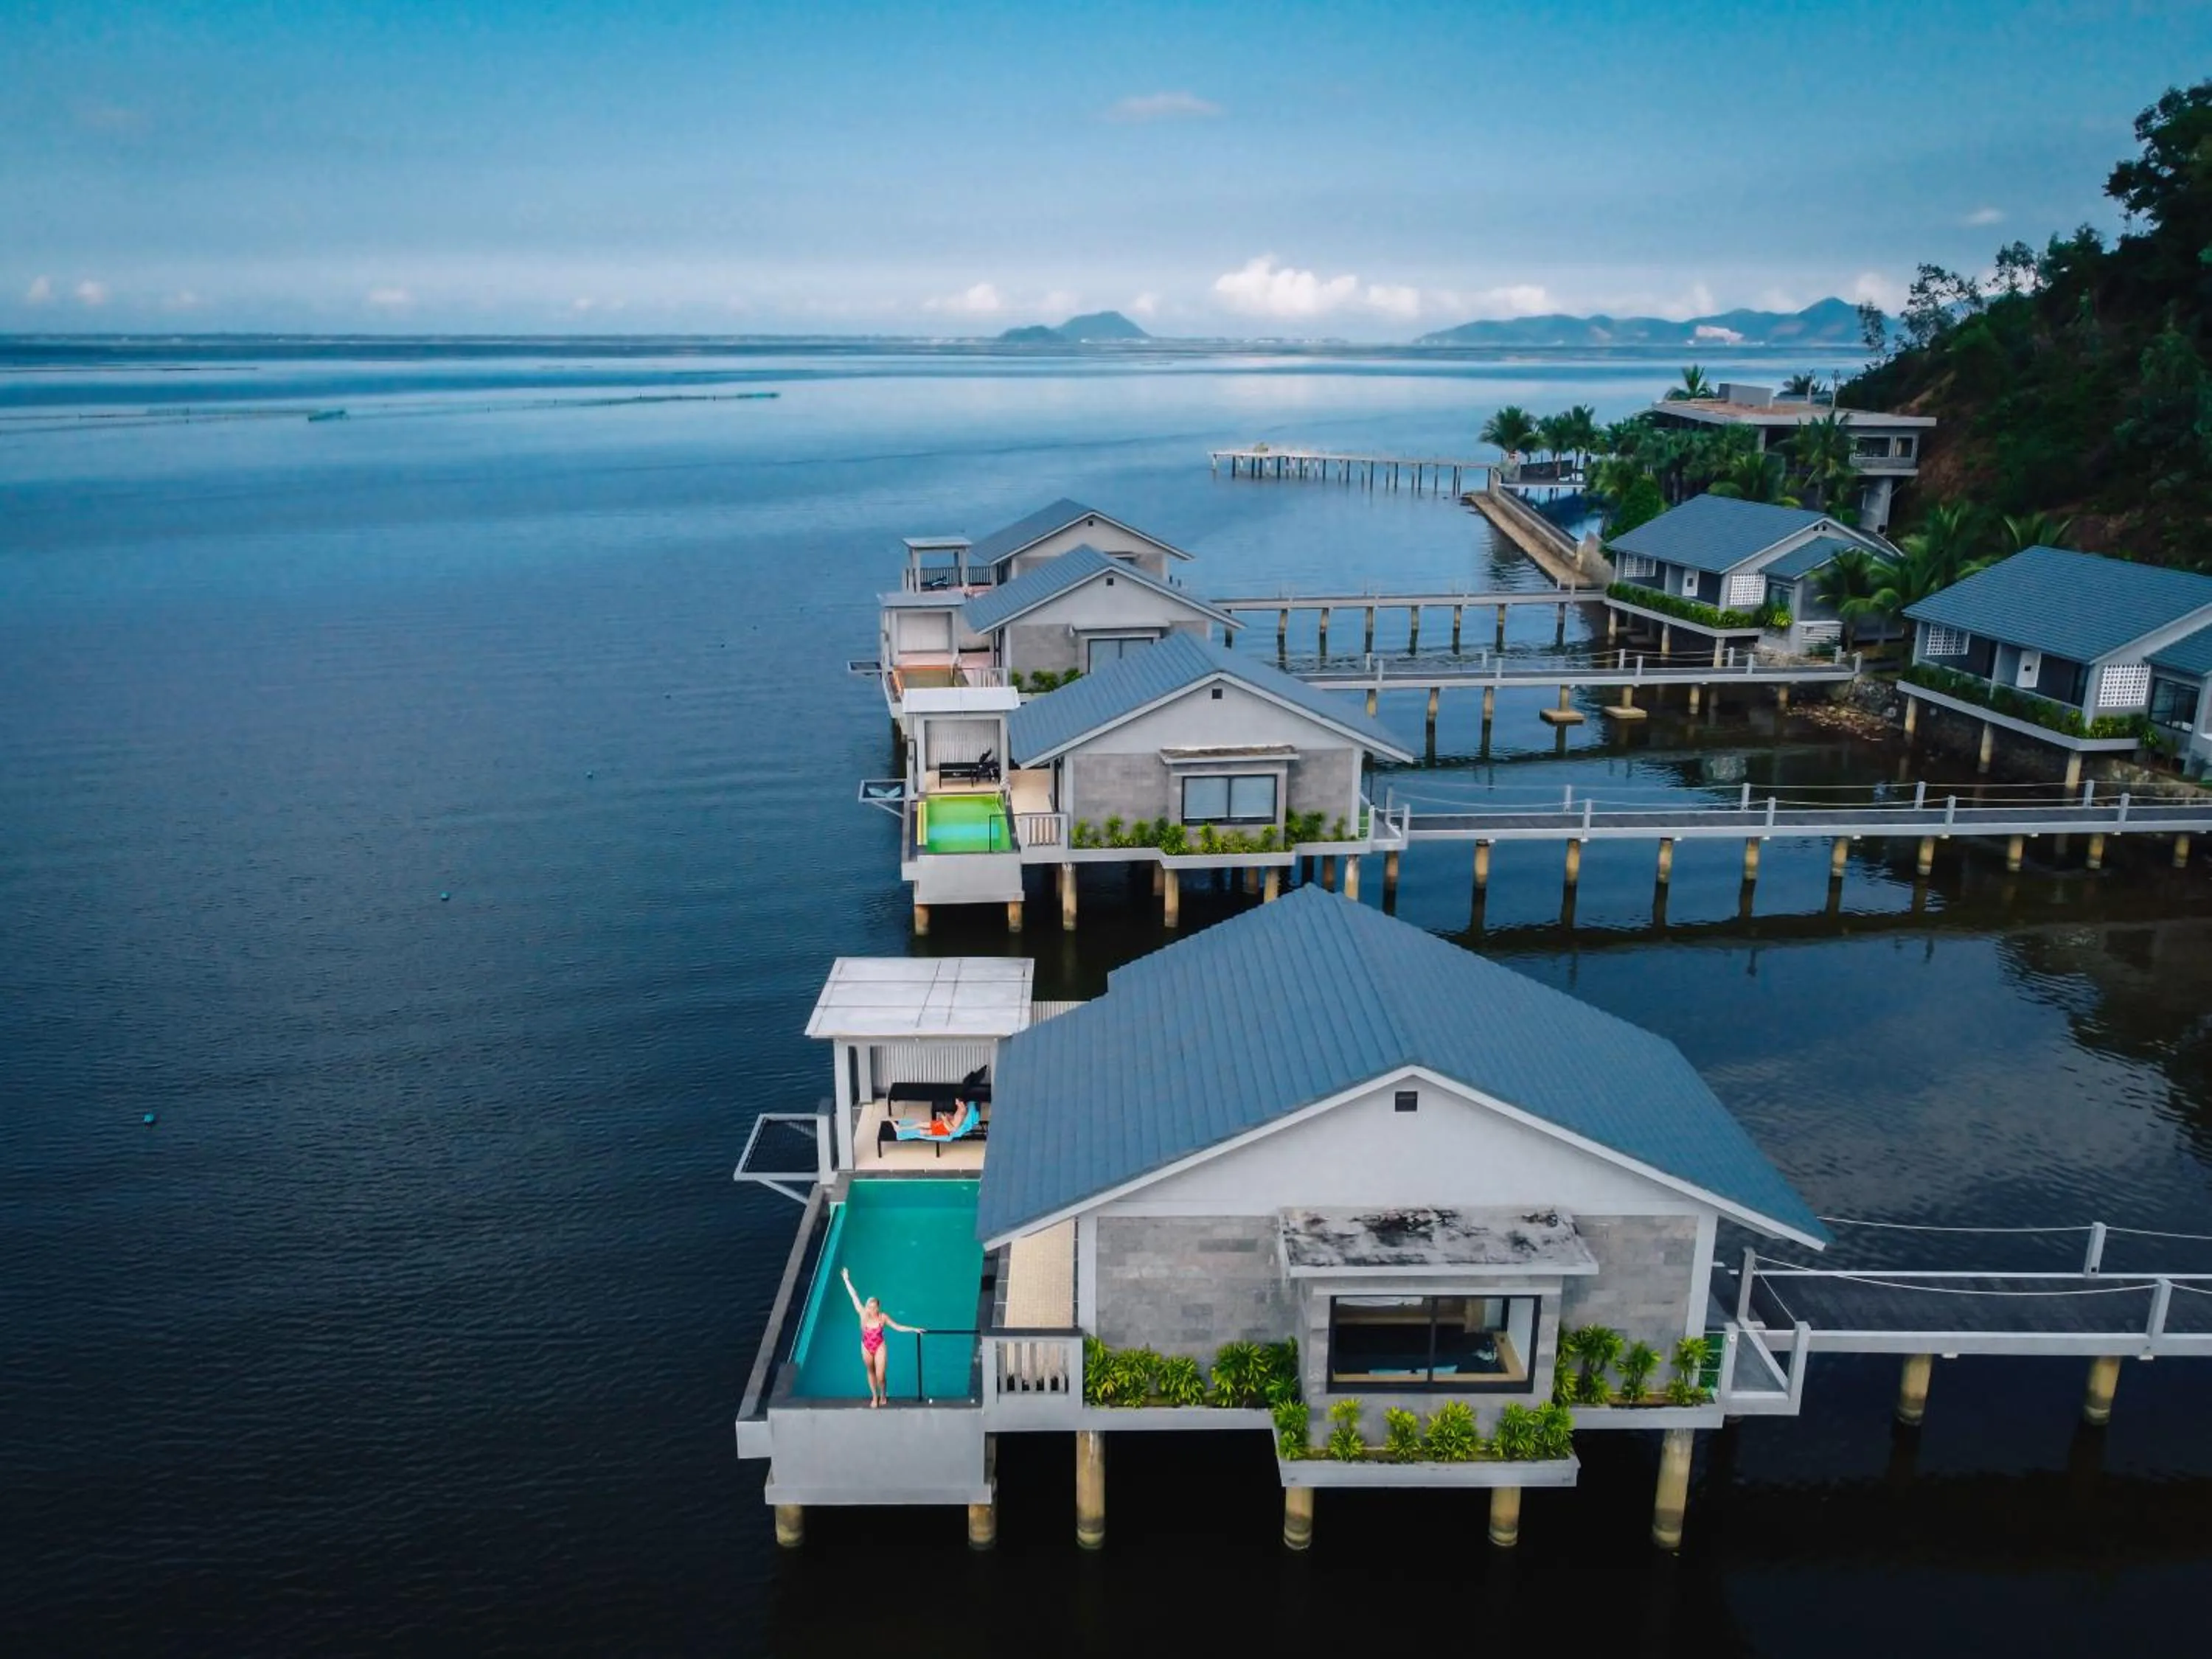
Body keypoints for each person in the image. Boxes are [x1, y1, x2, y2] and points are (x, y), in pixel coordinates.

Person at [842, 1267, 922, 1407]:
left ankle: (883, 1394)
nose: (872, 1310)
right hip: (866, 1346)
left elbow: (898, 1327)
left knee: (880, 1375)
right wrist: (846, 1279)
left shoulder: (882, 1317)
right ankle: (875, 1396)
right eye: (870, 1307)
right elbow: (854, 1295)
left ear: (878, 1307)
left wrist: (914, 1329)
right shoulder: (863, 1314)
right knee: (870, 1371)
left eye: (874, 1307)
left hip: (879, 1346)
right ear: (867, 1307)